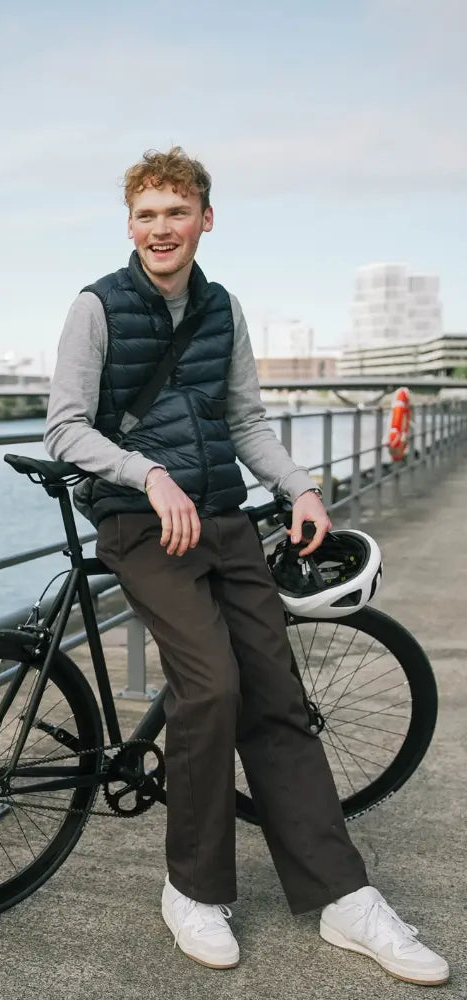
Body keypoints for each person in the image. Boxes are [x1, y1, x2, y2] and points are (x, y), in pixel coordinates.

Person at [43, 147, 447, 984]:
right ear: (130, 225)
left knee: (278, 696)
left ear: (205, 221)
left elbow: (246, 420)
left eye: (177, 212)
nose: (162, 228)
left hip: (224, 518)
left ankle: (344, 898)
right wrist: (146, 474)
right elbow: (65, 429)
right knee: (213, 686)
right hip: (139, 522)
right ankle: (192, 888)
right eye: (148, 214)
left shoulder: (221, 309)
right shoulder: (96, 307)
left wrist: (299, 488)